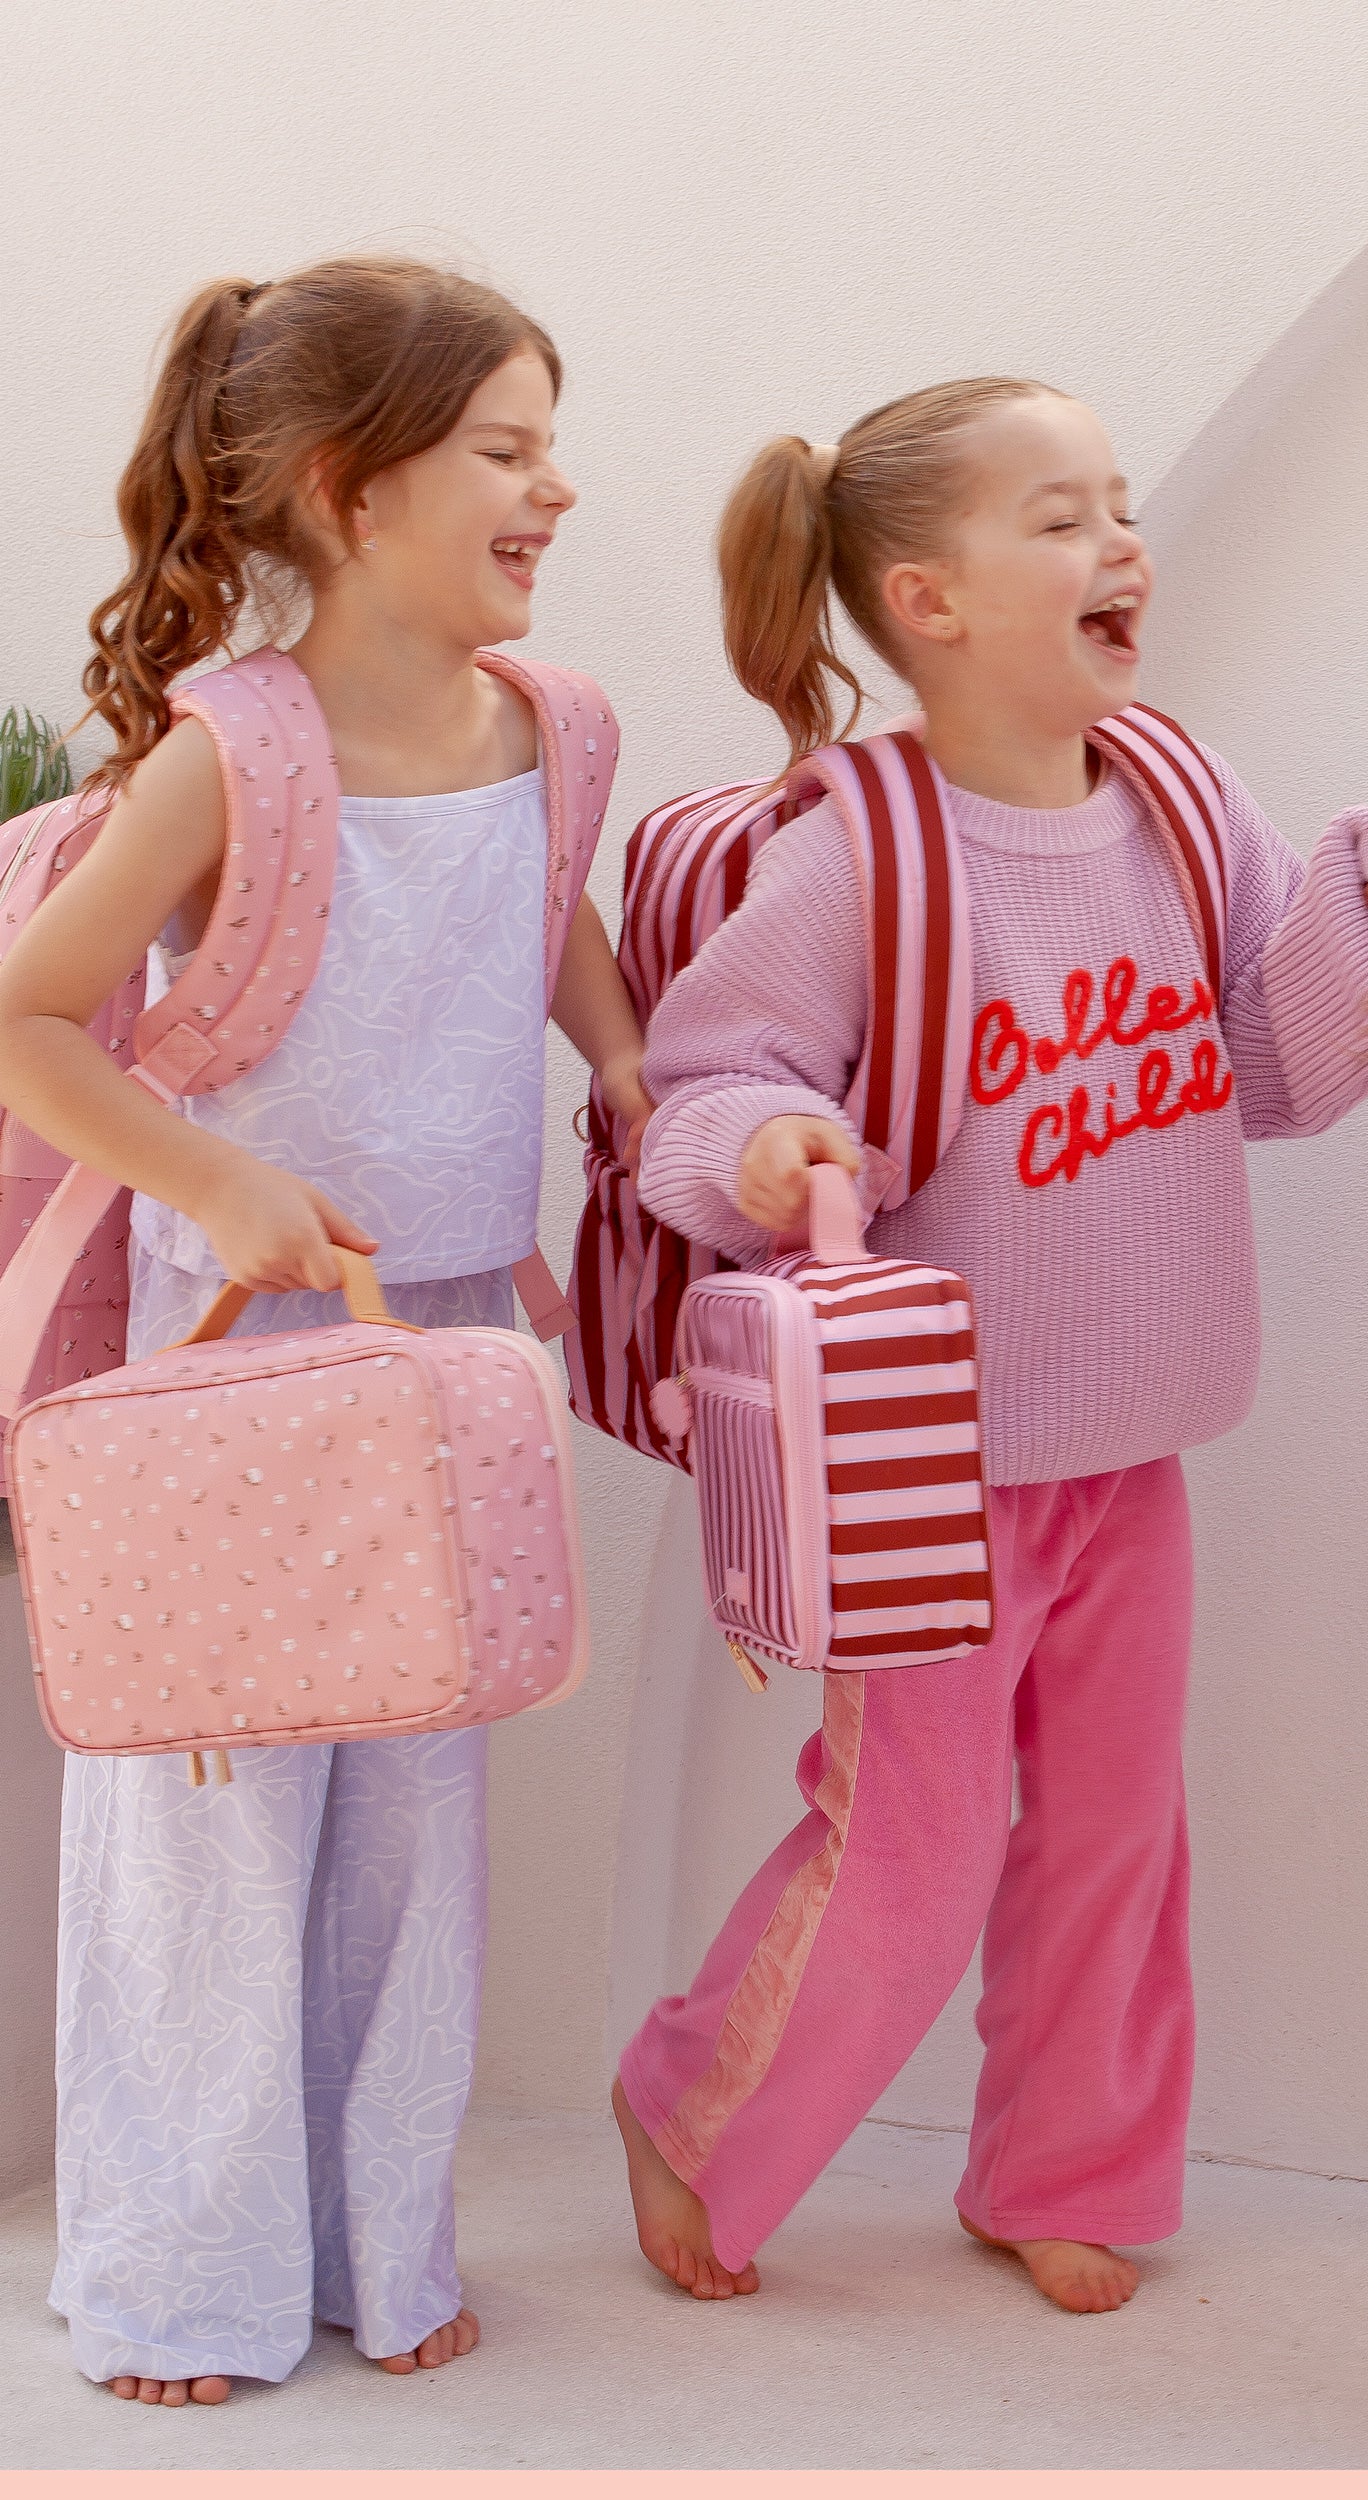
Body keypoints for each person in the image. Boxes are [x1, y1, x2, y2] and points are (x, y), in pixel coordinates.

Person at [610, 376, 1368, 2318]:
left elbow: (1267, 1065)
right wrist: (759, 1138)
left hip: (1131, 1438)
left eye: (1120, 508)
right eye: (1063, 517)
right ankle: (691, 2096)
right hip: (921, 1466)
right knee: (908, 1851)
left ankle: (1059, 2162)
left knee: (1109, 1835)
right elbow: (697, 1088)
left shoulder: (1176, 795)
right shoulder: (860, 849)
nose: (1120, 547)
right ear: (925, 597)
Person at [0, 258, 648, 2409]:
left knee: (412, 1799)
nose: (556, 486)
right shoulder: (233, 752)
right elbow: (24, 1020)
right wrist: (215, 1182)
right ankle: (181, 2278)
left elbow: (542, 899)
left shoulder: (557, 725)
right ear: (351, 487)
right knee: (211, 1815)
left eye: (552, 443)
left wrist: (629, 1062)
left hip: (454, 1349)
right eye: (509, 448)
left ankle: (384, 2235)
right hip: (238, 1363)